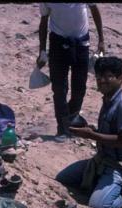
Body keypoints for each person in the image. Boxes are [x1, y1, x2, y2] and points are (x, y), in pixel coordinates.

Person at [55, 56, 122, 208]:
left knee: (99, 205)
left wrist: (91, 135)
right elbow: (108, 132)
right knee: (62, 179)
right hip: (102, 159)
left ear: (120, 78)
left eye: (108, 77)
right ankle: (101, 185)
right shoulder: (108, 100)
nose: (102, 81)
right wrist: (91, 130)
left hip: (119, 166)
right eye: (99, 77)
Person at [37, 3, 105, 142]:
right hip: (57, 44)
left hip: (81, 44)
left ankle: (71, 123)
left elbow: (94, 9)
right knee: (59, 89)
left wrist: (101, 41)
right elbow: (44, 21)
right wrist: (42, 50)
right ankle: (62, 129)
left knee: (79, 88)